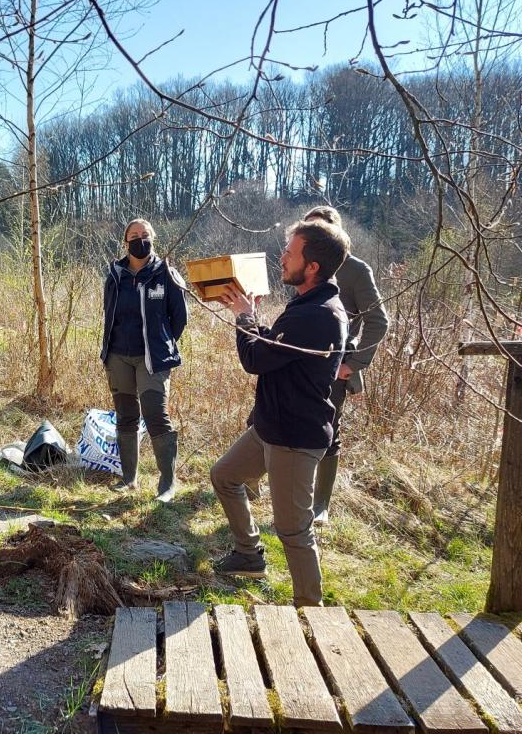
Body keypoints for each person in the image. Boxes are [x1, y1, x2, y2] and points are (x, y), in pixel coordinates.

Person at [210, 218, 350, 608]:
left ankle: (311, 607)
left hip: (294, 436)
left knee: (292, 530)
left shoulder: (318, 313)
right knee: (224, 475)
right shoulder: (307, 304)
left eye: (290, 253)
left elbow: (255, 358)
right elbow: (279, 347)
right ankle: (248, 555)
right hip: (271, 426)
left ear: (313, 267)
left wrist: (244, 317)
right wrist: (254, 318)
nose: (282, 258)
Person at [299, 206, 390, 524]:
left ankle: (320, 506)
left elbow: (378, 321)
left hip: (333, 369)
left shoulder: (355, 270)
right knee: (263, 420)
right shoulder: (302, 267)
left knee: (327, 433)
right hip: (297, 363)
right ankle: (250, 487)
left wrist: (354, 364)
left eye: (319, 231)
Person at [99, 218, 188, 502]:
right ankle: (129, 480)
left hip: (152, 359)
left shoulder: (166, 274)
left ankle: (167, 485)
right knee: (126, 417)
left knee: (156, 416)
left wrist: (161, 343)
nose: (140, 239)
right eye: (134, 235)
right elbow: (109, 313)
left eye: (145, 234)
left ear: (153, 238)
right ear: (125, 242)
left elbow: (180, 318)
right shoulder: (115, 275)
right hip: (118, 357)